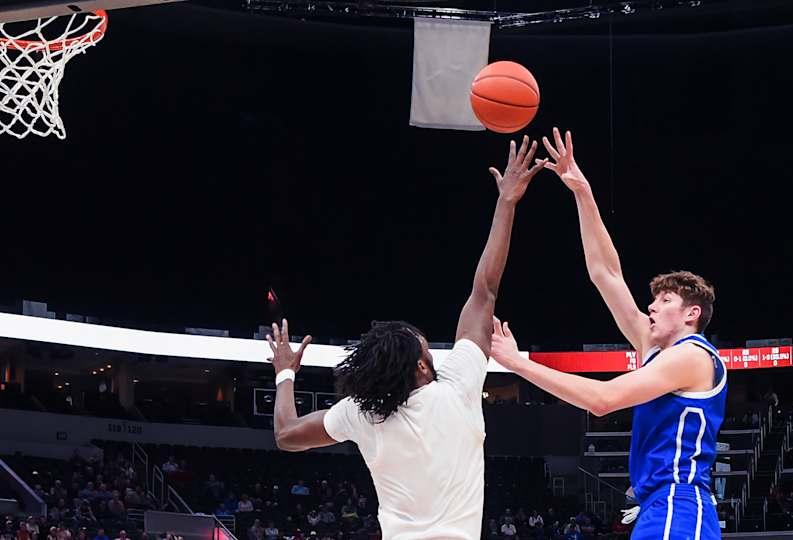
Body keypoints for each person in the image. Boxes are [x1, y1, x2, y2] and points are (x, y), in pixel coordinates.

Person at [265, 136, 545, 539]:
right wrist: (507, 202)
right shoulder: (457, 389)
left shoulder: (361, 412)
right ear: (420, 364)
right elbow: (485, 290)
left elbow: (286, 435)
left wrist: (285, 375)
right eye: (426, 345)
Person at [491, 129, 726, 540]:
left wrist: (517, 363)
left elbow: (602, 401)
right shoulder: (653, 346)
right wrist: (581, 190)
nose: (650, 307)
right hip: (659, 506)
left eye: (664, 300)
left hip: (678, 504)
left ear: (692, 313)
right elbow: (606, 273)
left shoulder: (693, 357)